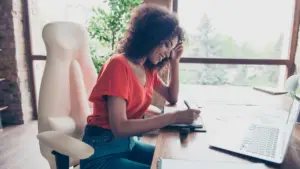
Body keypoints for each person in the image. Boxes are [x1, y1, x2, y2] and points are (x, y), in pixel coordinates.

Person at [80, 3, 200, 169]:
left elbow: (172, 96)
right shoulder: (118, 65)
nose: (167, 52)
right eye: (166, 44)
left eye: (171, 48)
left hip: (128, 145)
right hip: (101, 154)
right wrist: (173, 117)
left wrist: (175, 62)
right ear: (151, 36)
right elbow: (120, 127)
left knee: (173, 161)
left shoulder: (147, 69)